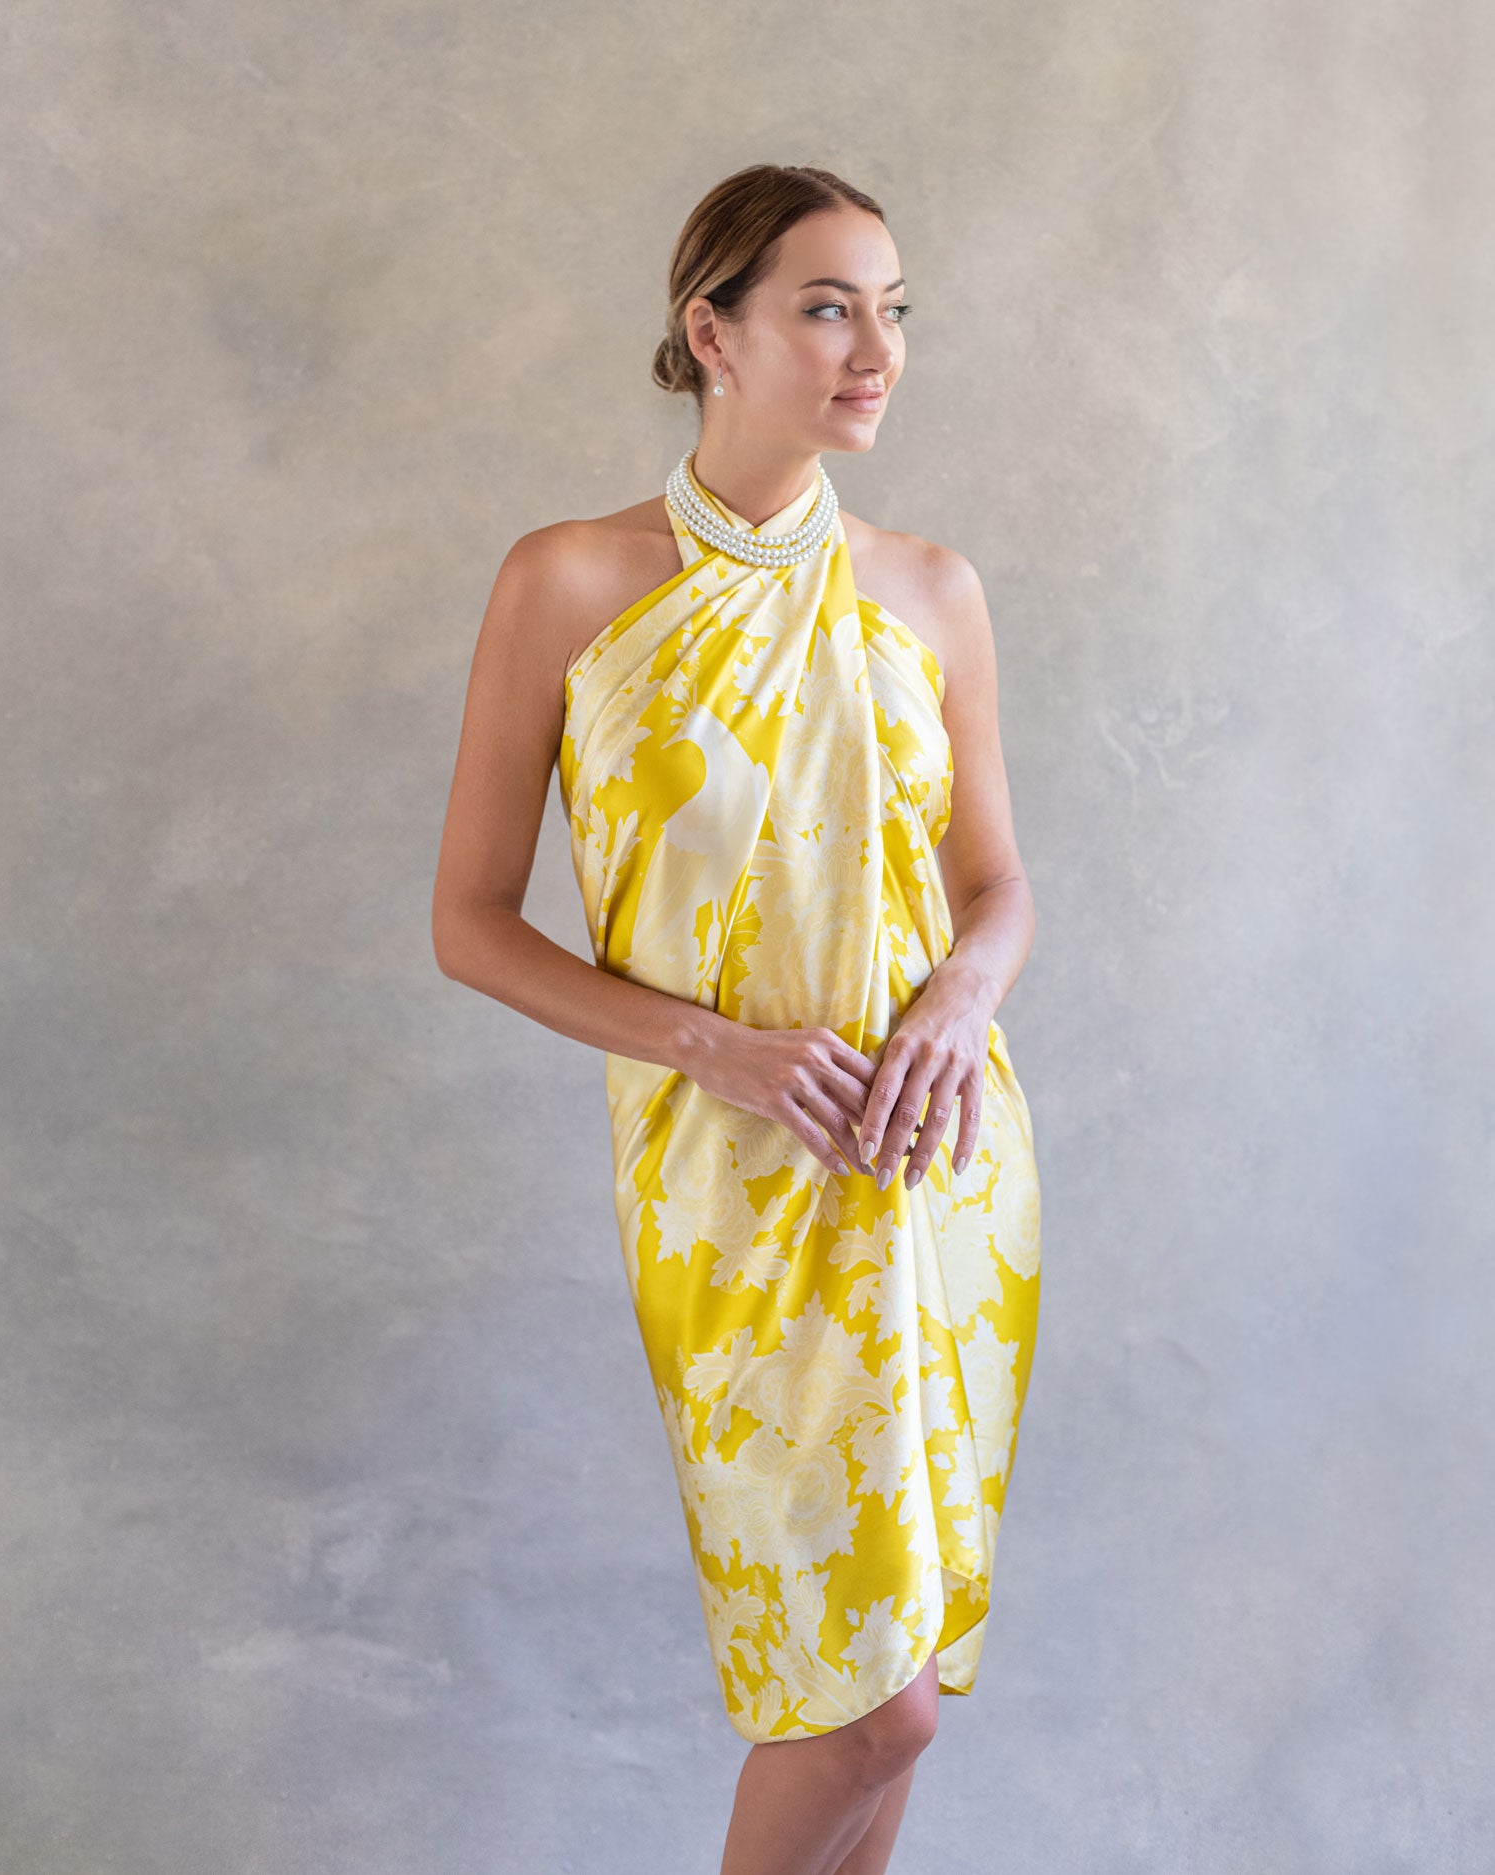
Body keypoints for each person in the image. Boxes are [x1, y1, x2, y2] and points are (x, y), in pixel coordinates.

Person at [432, 162, 1042, 1875]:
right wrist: (717, 1046)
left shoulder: (931, 590)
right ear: (713, 330)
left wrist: (951, 1011)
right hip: (726, 1178)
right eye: (828, 307)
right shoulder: (570, 584)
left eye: (894, 309)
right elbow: (468, 922)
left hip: (938, 1164)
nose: (878, 350)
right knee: (858, 1700)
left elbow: (1001, 888)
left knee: (903, 1677)